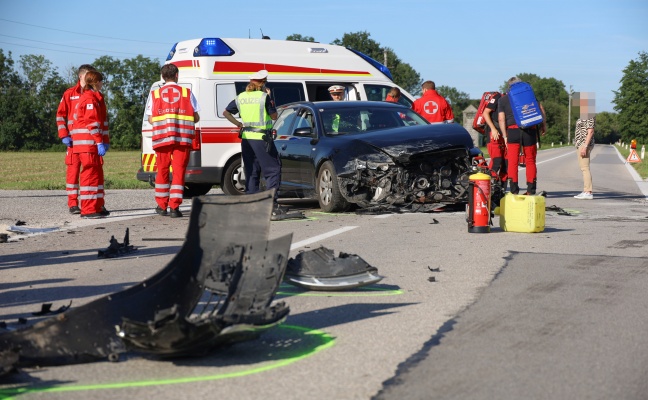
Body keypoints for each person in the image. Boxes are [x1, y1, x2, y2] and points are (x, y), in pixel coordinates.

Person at [223, 70, 285, 220]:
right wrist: (270, 99)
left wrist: (239, 124)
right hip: (261, 138)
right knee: (273, 169)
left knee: (251, 170)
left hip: (246, 138)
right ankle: (271, 205)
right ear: (262, 83)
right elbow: (274, 116)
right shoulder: (264, 97)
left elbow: (226, 112)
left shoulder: (241, 97)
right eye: (265, 82)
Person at [145, 64, 200, 218]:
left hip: (162, 138)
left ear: (163, 77)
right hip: (182, 139)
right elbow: (196, 116)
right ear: (177, 75)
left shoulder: (155, 94)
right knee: (179, 172)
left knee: (162, 170)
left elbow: (150, 118)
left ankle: (162, 206)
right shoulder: (186, 93)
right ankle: (174, 208)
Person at [71, 70, 111, 219]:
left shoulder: (94, 98)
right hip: (88, 144)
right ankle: (88, 210)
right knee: (90, 176)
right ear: (95, 82)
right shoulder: (89, 99)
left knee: (97, 176)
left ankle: (97, 206)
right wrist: (100, 141)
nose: (102, 84)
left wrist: (103, 141)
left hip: (91, 144)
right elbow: (92, 123)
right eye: (100, 81)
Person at [57, 64, 95, 215]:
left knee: (92, 173)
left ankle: (94, 203)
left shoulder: (94, 94)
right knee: (72, 172)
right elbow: (60, 115)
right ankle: (73, 203)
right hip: (73, 142)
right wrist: (64, 135)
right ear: (81, 76)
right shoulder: (69, 94)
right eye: (89, 76)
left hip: (90, 143)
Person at [497, 77, 546, 195]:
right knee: (530, 160)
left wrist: (504, 136)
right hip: (530, 130)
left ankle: (514, 191)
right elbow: (541, 109)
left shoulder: (503, 99)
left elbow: (501, 119)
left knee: (513, 161)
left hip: (513, 131)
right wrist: (544, 125)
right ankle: (531, 190)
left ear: (509, 87)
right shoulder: (529, 95)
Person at [481, 92, 507, 192]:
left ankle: (501, 188)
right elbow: (485, 112)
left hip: (505, 135)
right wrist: (493, 129)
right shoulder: (498, 97)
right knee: (497, 161)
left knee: (506, 163)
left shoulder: (513, 100)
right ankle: (486, 187)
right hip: (494, 134)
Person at [573, 93, 596, 200]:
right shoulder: (584, 114)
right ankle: (586, 190)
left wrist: (585, 146)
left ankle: (588, 192)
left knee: (585, 168)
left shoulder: (590, 114)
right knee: (583, 168)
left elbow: (590, 131)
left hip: (584, 144)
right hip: (581, 143)